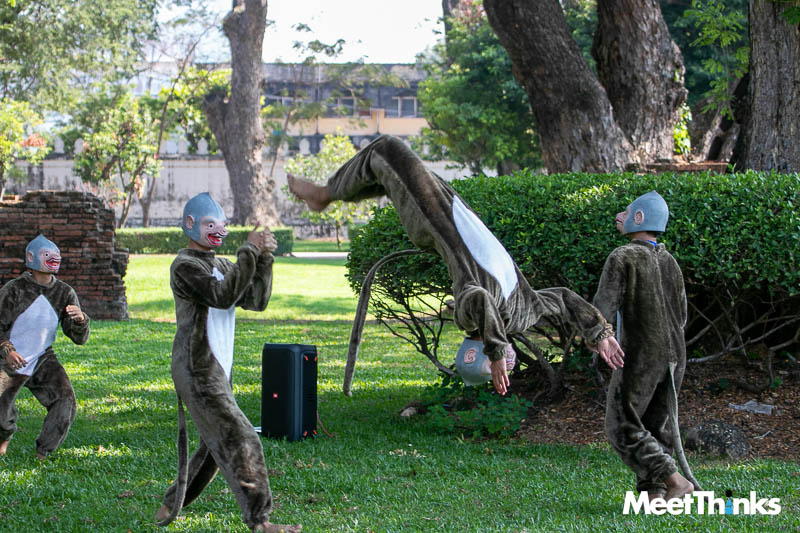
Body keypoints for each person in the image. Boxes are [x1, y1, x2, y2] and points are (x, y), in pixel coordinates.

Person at [288, 135, 624, 395]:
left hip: (435, 219)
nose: (508, 361)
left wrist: (495, 350)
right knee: (385, 166)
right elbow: (564, 298)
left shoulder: (468, 315)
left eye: (495, 359)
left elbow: (481, 299)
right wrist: (599, 333)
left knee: (386, 150)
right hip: (454, 211)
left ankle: (324, 194)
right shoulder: (522, 313)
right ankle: (328, 193)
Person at [155, 193, 301, 533]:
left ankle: (169, 505)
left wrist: (263, 259)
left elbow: (255, 300)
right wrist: (248, 251)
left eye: (222, 225)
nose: (218, 231)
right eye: (210, 225)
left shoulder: (221, 265)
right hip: (196, 370)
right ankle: (261, 521)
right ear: (190, 225)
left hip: (218, 368)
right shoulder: (185, 266)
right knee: (242, 438)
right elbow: (221, 297)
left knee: (212, 449)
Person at [593, 191, 697, 501]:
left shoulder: (622, 257)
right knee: (655, 425)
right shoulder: (670, 261)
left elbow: (603, 307)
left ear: (639, 218)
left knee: (621, 424)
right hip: (676, 355)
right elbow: (682, 313)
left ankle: (675, 480)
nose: (619, 217)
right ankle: (655, 496)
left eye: (625, 213)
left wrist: (598, 336)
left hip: (640, 354)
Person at [0, 234, 90, 460]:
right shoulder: (13, 290)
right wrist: (7, 351)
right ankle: (4, 436)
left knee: (65, 400)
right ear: (31, 258)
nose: (54, 258)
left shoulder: (65, 293)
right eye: (47, 254)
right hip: (10, 357)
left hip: (43, 358)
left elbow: (78, 338)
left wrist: (80, 321)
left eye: (56, 254)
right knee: (1, 409)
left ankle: (43, 452)